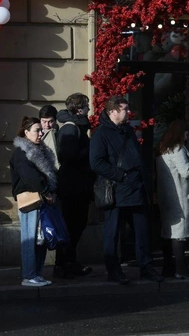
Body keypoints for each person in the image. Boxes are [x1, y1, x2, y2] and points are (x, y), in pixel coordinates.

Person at [89, 96, 164, 284]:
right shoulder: (101, 134)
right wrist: (120, 175)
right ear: (112, 111)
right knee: (113, 233)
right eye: (123, 109)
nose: (128, 112)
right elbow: (96, 163)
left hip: (136, 189)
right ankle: (113, 270)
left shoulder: (128, 130)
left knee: (142, 231)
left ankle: (146, 267)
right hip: (116, 192)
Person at [10, 116, 57, 287]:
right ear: (26, 132)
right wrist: (46, 191)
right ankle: (29, 275)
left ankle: (36, 273)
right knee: (30, 239)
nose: (40, 133)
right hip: (30, 200)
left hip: (41, 199)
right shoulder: (22, 152)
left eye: (41, 130)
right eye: (37, 130)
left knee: (41, 239)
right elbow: (30, 177)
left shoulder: (39, 150)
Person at [53, 93, 95, 279]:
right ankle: (64, 264)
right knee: (72, 225)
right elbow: (67, 157)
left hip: (78, 185)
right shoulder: (71, 129)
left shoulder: (77, 127)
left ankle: (68, 262)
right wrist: (90, 150)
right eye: (86, 106)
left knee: (75, 225)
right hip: (73, 186)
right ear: (79, 109)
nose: (88, 109)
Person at [156, 120, 189, 280]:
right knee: (180, 233)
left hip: (167, 195)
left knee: (168, 232)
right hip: (181, 195)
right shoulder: (178, 149)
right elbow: (186, 172)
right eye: (186, 133)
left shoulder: (164, 149)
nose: (187, 136)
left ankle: (168, 267)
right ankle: (181, 268)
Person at [39, 105, 59, 169]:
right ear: (40, 120)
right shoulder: (34, 136)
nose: (47, 125)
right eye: (44, 121)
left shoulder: (61, 135)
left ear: (55, 121)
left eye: (50, 121)